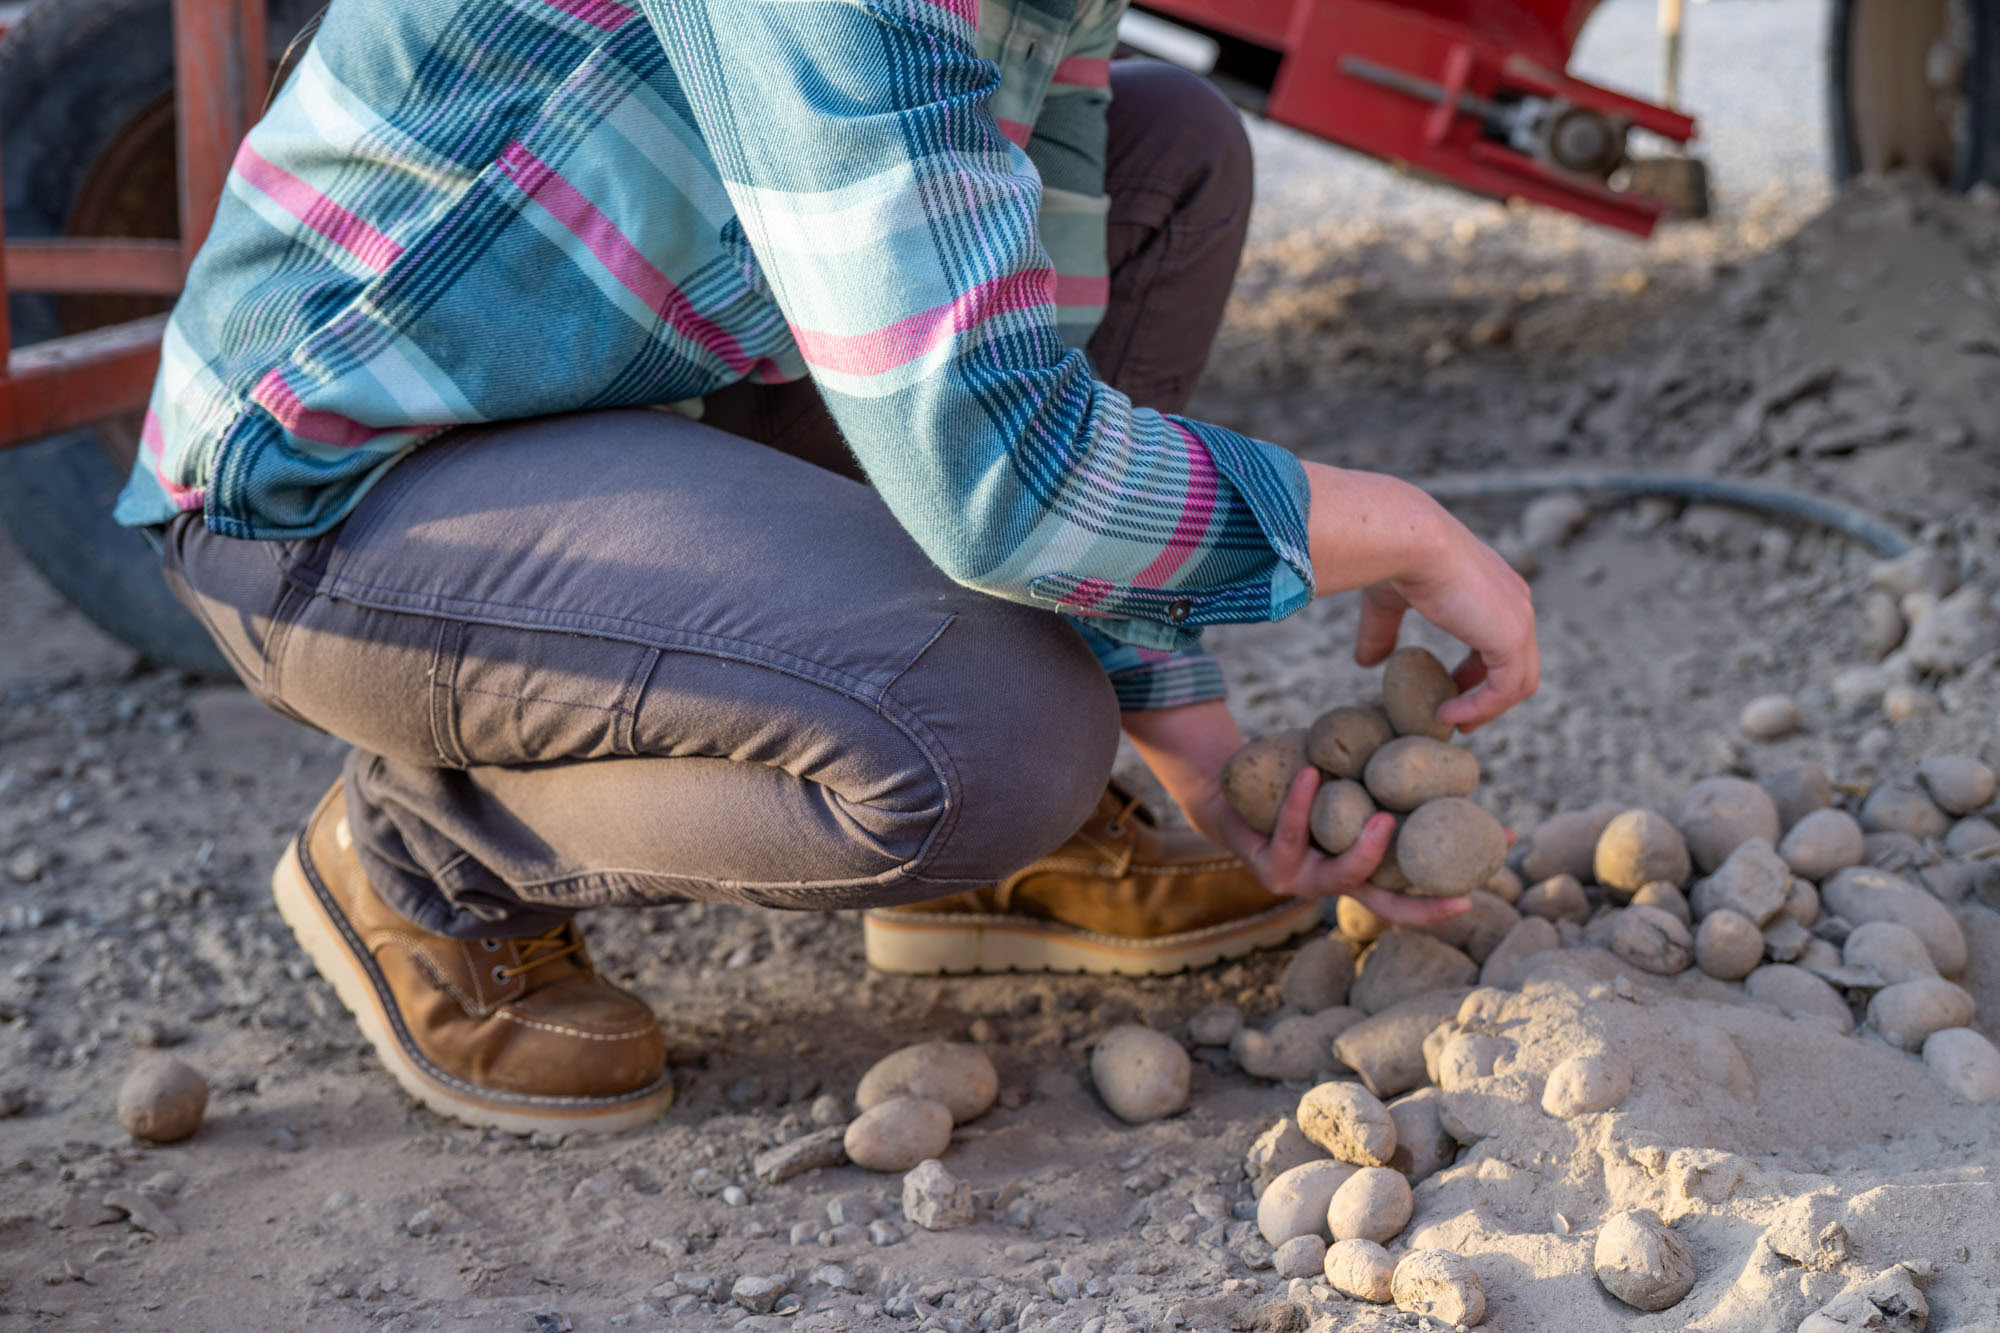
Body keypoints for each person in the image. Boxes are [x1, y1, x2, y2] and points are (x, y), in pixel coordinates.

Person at [120, 0, 1537, 1134]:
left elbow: (1033, 321)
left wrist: (1200, 749)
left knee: (1172, 153)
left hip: (603, 390)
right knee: (997, 731)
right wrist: (1393, 522)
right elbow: (1008, 472)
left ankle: (949, 864)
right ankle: (422, 848)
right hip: (329, 477)